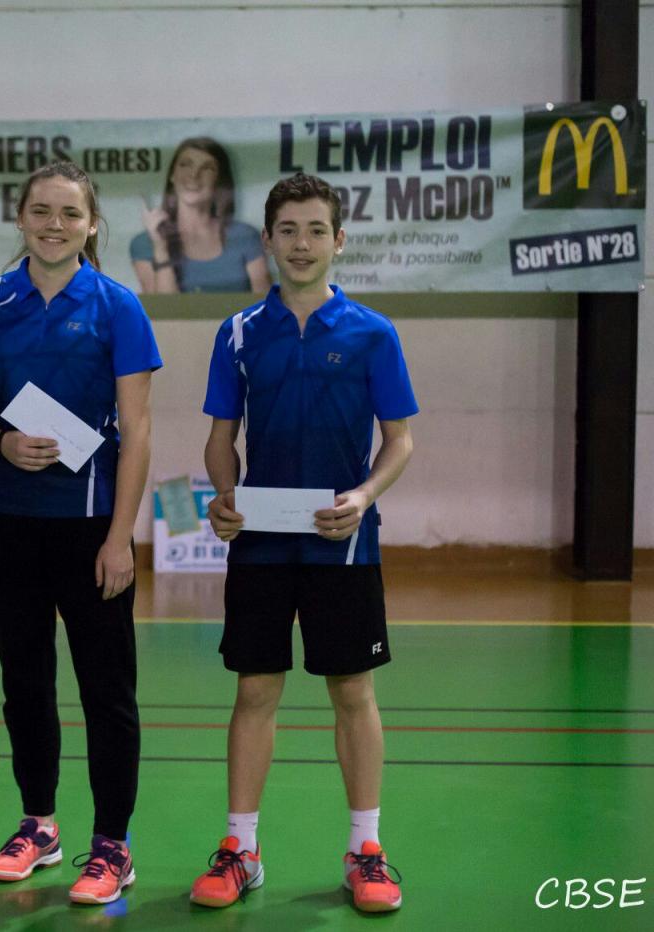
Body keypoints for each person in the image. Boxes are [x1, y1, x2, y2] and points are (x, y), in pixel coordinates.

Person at [190, 172, 416, 914]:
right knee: (255, 690)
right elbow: (222, 439)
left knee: (353, 690)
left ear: (339, 241)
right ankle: (241, 848)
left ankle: (366, 850)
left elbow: (400, 440)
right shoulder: (238, 332)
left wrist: (363, 495)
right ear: (268, 241)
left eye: (316, 230)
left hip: (342, 544)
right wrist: (223, 499)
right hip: (259, 541)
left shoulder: (373, 333)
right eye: (288, 230)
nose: (302, 243)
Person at [0, 161, 162, 906]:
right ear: (20, 217)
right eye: (41, 210)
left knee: (108, 689)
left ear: (91, 225)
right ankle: (39, 825)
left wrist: (119, 537)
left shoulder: (118, 306)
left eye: (70, 213)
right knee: (24, 682)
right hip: (3, 519)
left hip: (89, 526)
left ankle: (112, 846)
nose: (54, 224)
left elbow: (136, 431)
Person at [131, 137, 270, 294]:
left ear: (219, 180)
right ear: (172, 175)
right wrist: (160, 248)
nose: (194, 175)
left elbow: (263, 308)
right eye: (185, 165)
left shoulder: (245, 236)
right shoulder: (144, 243)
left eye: (207, 168)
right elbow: (163, 313)